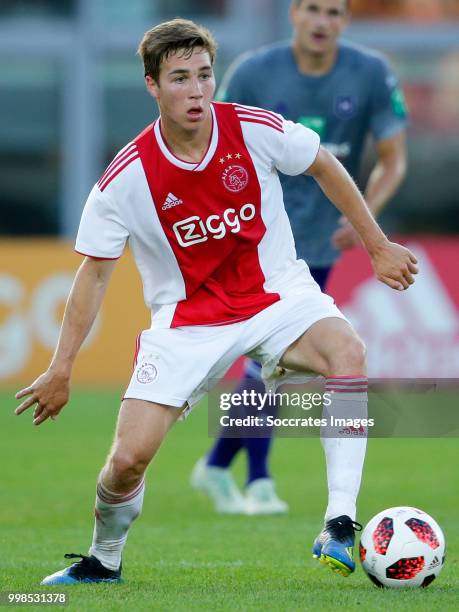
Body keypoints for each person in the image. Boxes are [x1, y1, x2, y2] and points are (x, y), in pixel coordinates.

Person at [15, 18, 417, 585]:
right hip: (188, 326)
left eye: (204, 75)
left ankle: (341, 521)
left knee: (347, 351)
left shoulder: (251, 128)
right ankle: (104, 559)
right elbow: (93, 276)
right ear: (153, 86)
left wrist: (376, 246)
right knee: (126, 462)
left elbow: (324, 163)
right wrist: (61, 367)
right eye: (180, 78)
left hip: (276, 295)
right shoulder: (125, 179)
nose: (197, 90)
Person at [193, 0, 408, 516]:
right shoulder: (252, 73)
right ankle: (258, 478)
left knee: (275, 363)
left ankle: (219, 467)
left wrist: (363, 222)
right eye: (313, 8)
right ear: (294, 13)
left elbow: (394, 161)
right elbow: (207, 145)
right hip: (252, 245)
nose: (322, 21)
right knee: (265, 361)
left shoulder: (371, 73)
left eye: (334, 12)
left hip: (317, 243)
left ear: (345, 21)